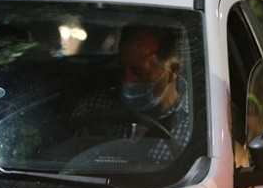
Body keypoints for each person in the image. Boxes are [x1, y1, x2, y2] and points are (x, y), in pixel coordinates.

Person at [70, 25, 191, 163]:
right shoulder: (94, 106)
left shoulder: (195, 125)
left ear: (173, 70)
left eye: (139, 72)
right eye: (122, 68)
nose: (127, 79)